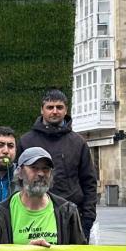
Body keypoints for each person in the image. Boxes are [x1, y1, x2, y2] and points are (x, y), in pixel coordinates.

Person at [17, 90, 99, 239]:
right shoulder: (26, 141)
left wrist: (87, 220)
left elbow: (89, 183)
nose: (54, 111)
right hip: (33, 216)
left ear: (66, 110)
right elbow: (18, 182)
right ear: (42, 110)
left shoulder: (78, 142)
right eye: (50, 107)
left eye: (59, 107)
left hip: (71, 216)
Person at [0, 147, 88, 246]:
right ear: (20, 173)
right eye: (34, 168)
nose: (41, 174)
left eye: (46, 169)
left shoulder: (67, 211)